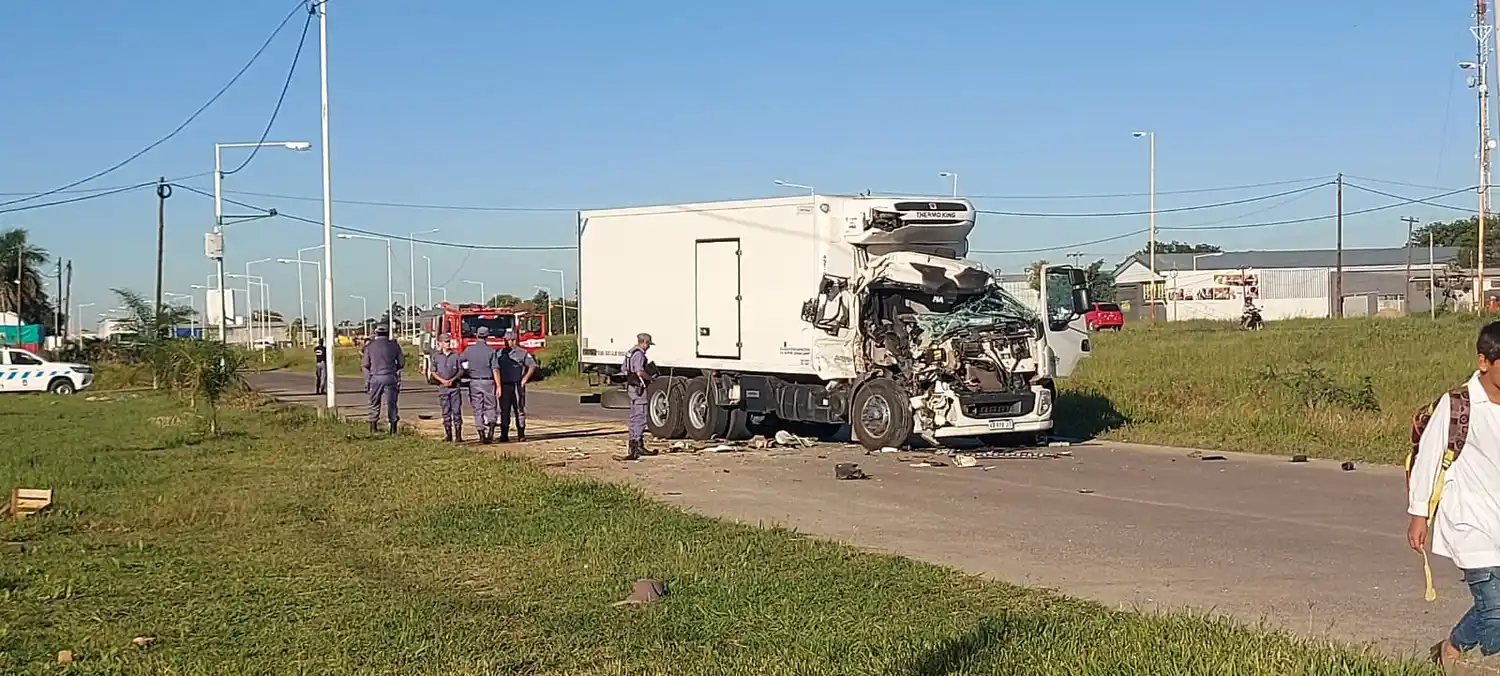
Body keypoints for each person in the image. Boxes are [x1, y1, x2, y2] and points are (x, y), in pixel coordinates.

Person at [1411, 321, 1500, 671]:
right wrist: (1419, 514)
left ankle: (1450, 648)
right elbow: (1429, 459)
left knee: (1489, 605)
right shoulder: (1458, 405)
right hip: (1469, 522)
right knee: (1494, 607)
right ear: (1484, 362)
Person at [615, 333, 656, 461]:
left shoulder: (630, 352)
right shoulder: (639, 354)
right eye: (648, 344)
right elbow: (639, 371)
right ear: (643, 342)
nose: (648, 347)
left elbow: (624, 368)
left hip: (631, 387)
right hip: (639, 388)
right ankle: (637, 445)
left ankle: (633, 444)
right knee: (640, 416)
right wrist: (650, 378)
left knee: (633, 417)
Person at [493, 329, 538, 442]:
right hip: (504, 385)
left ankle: (521, 434)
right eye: (506, 340)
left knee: (519, 409)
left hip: (517, 385)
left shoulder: (522, 353)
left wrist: (525, 379)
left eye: (511, 340)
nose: (508, 342)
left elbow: (532, 365)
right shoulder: (499, 353)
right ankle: (504, 434)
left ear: (515, 340)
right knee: (504, 410)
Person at [361, 324, 404, 434]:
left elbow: (365, 365)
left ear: (376, 333)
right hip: (390, 377)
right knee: (392, 403)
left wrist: (367, 381)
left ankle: (373, 426)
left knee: (374, 403)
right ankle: (393, 428)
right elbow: (401, 363)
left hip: (375, 378)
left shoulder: (370, 346)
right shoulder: (394, 345)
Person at [461, 326, 500, 443]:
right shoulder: (491, 351)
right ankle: (491, 432)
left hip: (474, 381)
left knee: (478, 408)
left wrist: (464, 374)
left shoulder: (469, 350)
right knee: (490, 407)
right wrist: (499, 385)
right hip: (488, 381)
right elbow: (495, 369)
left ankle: (481, 434)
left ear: (477, 335)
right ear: (487, 336)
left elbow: (460, 361)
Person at [430, 335, 466, 442]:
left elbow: (461, 370)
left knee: (456, 411)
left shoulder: (456, 355)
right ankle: (448, 435)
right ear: (440, 343)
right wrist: (442, 380)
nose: (447, 344)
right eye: (445, 342)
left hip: (454, 387)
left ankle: (458, 436)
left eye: (448, 341)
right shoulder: (436, 356)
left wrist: (453, 379)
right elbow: (433, 371)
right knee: (445, 411)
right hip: (443, 387)